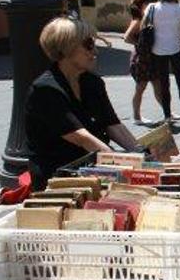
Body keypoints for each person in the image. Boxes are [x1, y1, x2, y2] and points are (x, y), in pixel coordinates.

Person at [26, 17, 139, 191]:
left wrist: (142, 155)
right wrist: (125, 166)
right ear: (66, 48)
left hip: (92, 166)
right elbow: (81, 137)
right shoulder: (45, 89)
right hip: (59, 176)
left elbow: (113, 124)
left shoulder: (92, 82)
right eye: (88, 44)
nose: (95, 51)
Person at [123, 0, 164, 125]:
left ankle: (167, 112)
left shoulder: (146, 19)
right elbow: (126, 37)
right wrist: (140, 44)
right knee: (140, 88)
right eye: (147, 4)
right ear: (142, 6)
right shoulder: (138, 21)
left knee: (158, 86)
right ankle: (136, 117)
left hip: (150, 58)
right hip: (141, 59)